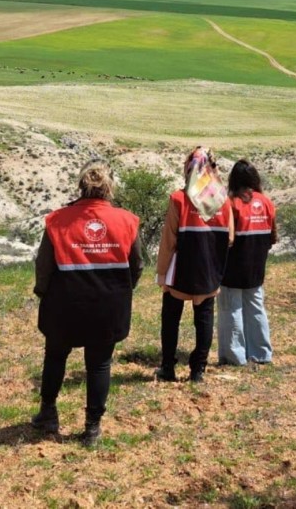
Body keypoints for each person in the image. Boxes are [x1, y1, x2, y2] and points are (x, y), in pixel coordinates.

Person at [32, 160, 143, 446]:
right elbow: (137, 265)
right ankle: (92, 427)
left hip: (65, 303)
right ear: (109, 189)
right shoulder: (128, 220)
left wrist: (42, 292)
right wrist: (123, 290)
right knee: (99, 364)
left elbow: (44, 265)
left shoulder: (57, 220)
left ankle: (48, 413)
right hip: (109, 305)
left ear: (81, 186)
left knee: (56, 355)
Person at [155, 147, 233, 383]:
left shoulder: (178, 199)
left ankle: (168, 367)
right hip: (209, 269)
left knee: (171, 318)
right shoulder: (222, 201)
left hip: (181, 270)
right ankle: (197, 370)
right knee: (204, 318)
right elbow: (230, 238)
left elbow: (169, 240)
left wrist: (161, 271)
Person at [217, 160, 278, 367]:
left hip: (233, 266)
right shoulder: (266, 202)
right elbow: (273, 236)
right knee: (256, 307)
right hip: (257, 265)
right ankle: (261, 352)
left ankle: (234, 355)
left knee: (230, 309)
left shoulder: (231, 202)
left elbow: (225, 236)